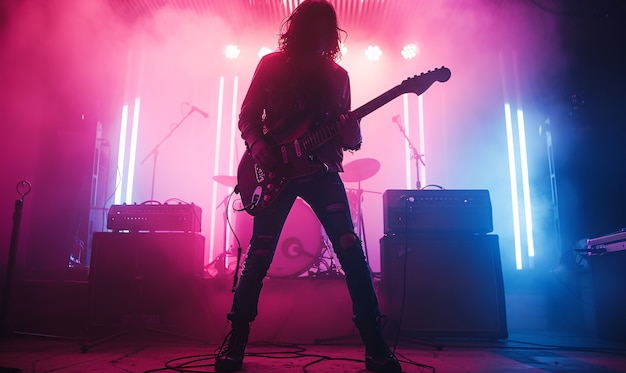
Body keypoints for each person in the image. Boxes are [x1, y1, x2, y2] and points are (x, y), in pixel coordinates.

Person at [215, 1, 401, 372]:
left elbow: (350, 138)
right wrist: (257, 145)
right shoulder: (271, 64)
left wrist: (350, 132)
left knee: (350, 251)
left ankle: (375, 344)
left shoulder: (338, 76)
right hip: (273, 171)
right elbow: (248, 116)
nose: (319, 35)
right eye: (313, 27)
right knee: (259, 255)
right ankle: (236, 339)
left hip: (321, 170)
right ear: (298, 28)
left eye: (325, 29)